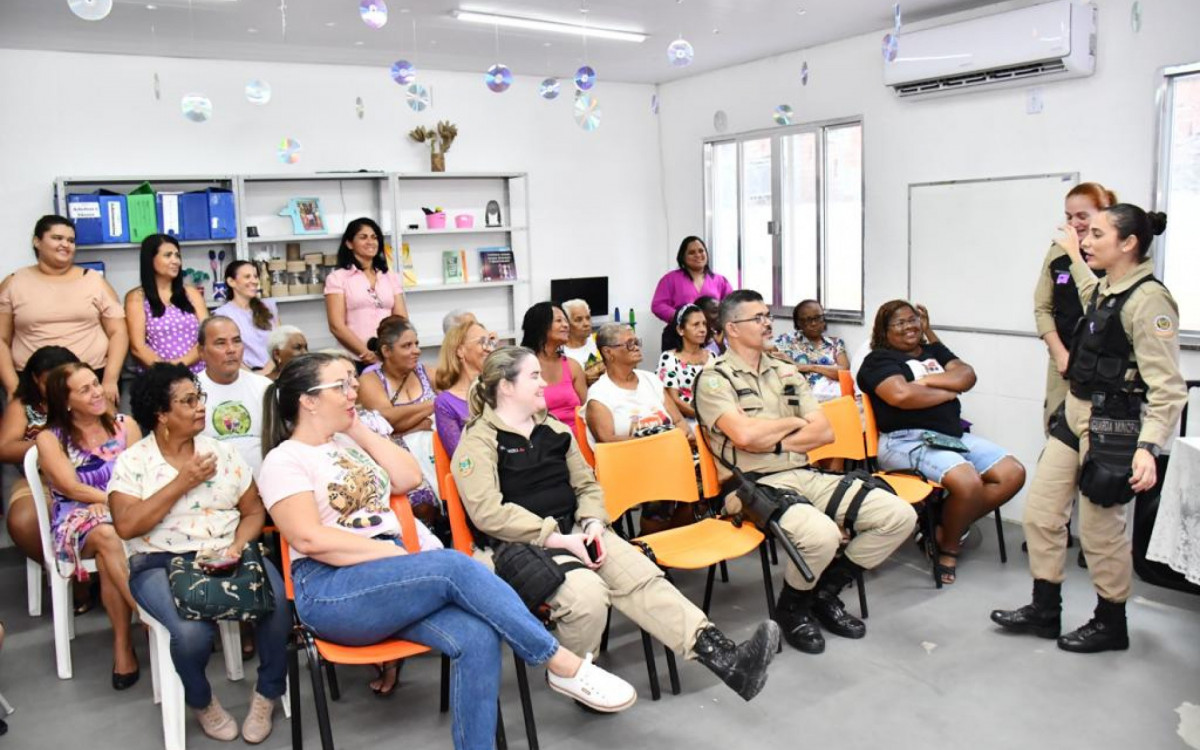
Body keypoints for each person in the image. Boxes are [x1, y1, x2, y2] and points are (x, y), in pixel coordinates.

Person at [259, 353, 638, 749]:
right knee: (452, 566)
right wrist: (396, 558)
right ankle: (559, 661)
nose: (354, 392)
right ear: (308, 400)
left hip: (389, 578)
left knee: (477, 637)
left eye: (353, 383)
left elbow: (407, 477)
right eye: (343, 386)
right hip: (332, 589)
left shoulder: (347, 445)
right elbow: (308, 539)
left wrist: (356, 429)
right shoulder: (285, 459)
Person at [454, 346, 781, 701]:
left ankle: (727, 661)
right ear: (506, 386)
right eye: (533, 376)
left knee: (643, 577)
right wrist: (557, 538)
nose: (543, 383)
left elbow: (587, 485)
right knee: (588, 598)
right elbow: (488, 512)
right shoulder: (479, 441)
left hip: (578, 531)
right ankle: (574, 676)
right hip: (519, 547)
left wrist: (594, 521)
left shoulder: (554, 429)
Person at [992, 205, 1185, 653]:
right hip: (1075, 411)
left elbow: (1169, 388)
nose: (1086, 241)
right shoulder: (1107, 287)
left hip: (1115, 424)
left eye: (1096, 234)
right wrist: (1072, 255)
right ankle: (1045, 610)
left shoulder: (1150, 300)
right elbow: (1085, 285)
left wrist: (1148, 447)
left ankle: (1110, 622)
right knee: (1042, 515)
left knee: (1101, 531)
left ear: (1128, 243)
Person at [694, 290, 917, 655]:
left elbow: (824, 432)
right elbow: (744, 435)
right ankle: (792, 610)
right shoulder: (716, 379)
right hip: (750, 487)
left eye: (768, 315)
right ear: (732, 329)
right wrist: (795, 424)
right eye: (758, 318)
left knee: (898, 516)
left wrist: (775, 436)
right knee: (822, 536)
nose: (768, 323)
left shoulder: (785, 371)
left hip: (803, 471)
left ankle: (822, 594)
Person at [109, 363, 289, 742]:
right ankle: (201, 700)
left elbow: (254, 511)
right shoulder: (134, 462)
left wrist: (238, 547)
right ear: (161, 414)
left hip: (227, 551)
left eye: (199, 397)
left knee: (276, 605)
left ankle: (267, 694)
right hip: (159, 561)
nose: (200, 407)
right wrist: (182, 482)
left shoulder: (221, 453)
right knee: (191, 635)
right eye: (188, 401)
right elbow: (126, 526)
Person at [857, 301, 1026, 585]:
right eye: (899, 323)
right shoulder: (879, 360)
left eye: (913, 320)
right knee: (968, 482)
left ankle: (940, 525)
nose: (909, 327)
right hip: (904, 441)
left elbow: (967, 375)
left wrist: (923, 384)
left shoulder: (933, 350)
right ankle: (948, 548)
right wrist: (948, 391)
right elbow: (900, 396)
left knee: (1013, 473)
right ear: (884, 330)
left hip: (951, 437)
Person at [37, 362, 142, 688]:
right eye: (85, 389)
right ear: (65, 401)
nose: (98, 392)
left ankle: (123, 646)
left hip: (125, 511)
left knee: (108, 552)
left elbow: (143, 474)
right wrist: (113, 501)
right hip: (77, 518)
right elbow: (70, 487)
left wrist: (120, 505)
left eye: (96, 383)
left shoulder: (126, 426)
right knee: (108, 536)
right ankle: (151, 616)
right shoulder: (49, 438)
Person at [0, 215, 126, 404]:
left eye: (71, 240)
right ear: (37, 241)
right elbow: (1, 339)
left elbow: (119, 332)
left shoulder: (93, 280)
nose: (65, 245)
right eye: (57, 238)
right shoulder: (14, 282)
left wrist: (110, 379)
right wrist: (12, 386)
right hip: (33, 385)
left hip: (91, 380)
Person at [1034, 182, 1118, 433]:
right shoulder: (1057, 253)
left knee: (1093, 440)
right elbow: (1042, 308)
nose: (1075, 223)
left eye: (1083, 216)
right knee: (1057, 428)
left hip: (1102, 364)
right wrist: (1060, 353)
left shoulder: (1116, 255)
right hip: (1063, 360)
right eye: (1069, 216)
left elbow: (1102, 307)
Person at [357, 316, 441, 523]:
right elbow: (386, 420)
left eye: (416, 344)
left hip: (436, 451)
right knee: (421, 504)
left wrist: (402, 423)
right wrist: (434, 405)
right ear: (386, 351)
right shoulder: (370, 380)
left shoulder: (427, 372)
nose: (416, 350)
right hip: (397, 458)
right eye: (407, 345)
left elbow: (456, 402)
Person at [2, 346, 79, 566]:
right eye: (49, 382)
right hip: (43, 480)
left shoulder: (88, 395)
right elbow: (5, 448)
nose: (58, 389)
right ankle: (66, 574)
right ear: (35, 380)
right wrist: (47, 444)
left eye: (63, 381)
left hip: (93, 477)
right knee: (22, 521)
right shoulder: (24, 405)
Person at [586, 323, 691, 445]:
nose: (636, 348)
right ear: (608, 352)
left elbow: (678, 421)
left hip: (671, 451)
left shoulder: (651, 379)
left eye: (636, 343)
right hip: (631, 459)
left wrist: (685, 435)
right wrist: (657, 444)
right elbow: (607, 442)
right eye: (630, 344)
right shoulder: (599, 394)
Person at [324, 217, 407, 366]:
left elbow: (401, 319)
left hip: (389, 357)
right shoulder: (337, 278)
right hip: (354, 359)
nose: (370, 242)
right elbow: (336, 326)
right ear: (349, 243)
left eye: (374, 237)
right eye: (363, 237)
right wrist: (366, 354)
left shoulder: (390, 277)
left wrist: (395, 352)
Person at [196, 317, 272, 476]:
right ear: (201, 352)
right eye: (220, 343)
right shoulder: (191, 392)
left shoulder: (264, 387)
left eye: (236, 341)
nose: (231, 349)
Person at [125, 234, 208, 374]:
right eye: (168, 255)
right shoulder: (136, 298)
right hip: (158, 377)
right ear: (150, 259)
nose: (175, 261)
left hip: (198, 373)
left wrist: (179, 365)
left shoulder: (191, 293)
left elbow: (208, 336)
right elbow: (137, 347)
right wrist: (166, 371)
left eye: (177, 255)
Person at [651, 237, 734, 352]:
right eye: (691, 252)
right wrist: (683, 317)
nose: (698, 255)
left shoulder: (719, 280)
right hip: (680, 336)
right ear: (682, 257)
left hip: (712, 338)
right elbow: (658, 305)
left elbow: (731, 306)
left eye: (701, 251)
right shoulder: (670, 279)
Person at [433, 319, 494, 457]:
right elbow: (460, 457)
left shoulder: (499, 389)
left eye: (490, 342)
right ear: (460, 351)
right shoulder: (445, 403)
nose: (489, 348)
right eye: (482, 342)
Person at [520, 302, 586, 425]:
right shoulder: (522, 367)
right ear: (541, 325)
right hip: (540, 438)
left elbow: (586, 409)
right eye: (559, 320)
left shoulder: (573, 366)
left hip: (576, 438)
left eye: (566, 321)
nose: (566, 325)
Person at [774, 300, 850, 402]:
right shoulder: (787, 340)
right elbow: (770, 353)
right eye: (808, 320)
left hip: (833, 398)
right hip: (802, 399)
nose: (814, 323)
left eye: (817, 318)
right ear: (798, 323)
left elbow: (844, 371)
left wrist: (809, 367)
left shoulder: (835, 343)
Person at [213, 260, 280, 373]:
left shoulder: (269, 307)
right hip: (244, 376)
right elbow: (228, 353)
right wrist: (254, 377)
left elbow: (280, 343)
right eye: (247, 277)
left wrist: (267, 372)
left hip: (274, 373)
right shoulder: (222, 315)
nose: (254, 281)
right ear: (231, 281)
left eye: (255, 276)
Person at [657, 303, 712, 421]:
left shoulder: (711, 356)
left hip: (715, 416)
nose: (702, 329)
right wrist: (704, 417)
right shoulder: (669, 358)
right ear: (680, 330)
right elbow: (673, 400)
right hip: (687, 420)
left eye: (704, 324)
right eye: (696, 325)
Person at [561, 298, 605, 385]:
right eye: (579, 320)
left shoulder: (600, 340)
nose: (586, 323)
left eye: (588, 318)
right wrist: (581, 378)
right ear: (566, 323)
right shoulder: (560, 351)